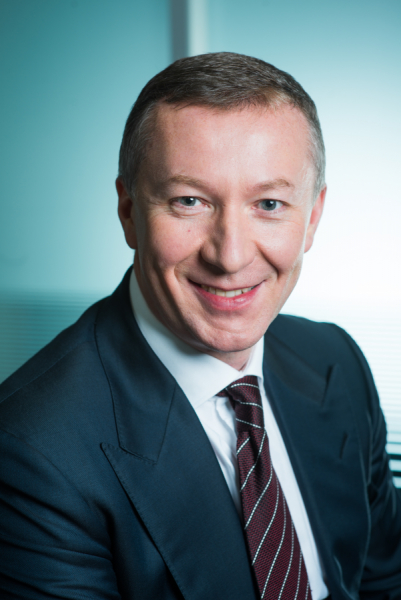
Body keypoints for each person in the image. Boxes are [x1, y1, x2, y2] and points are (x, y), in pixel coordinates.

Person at [0, 52, 400, 600]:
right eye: (189, 201)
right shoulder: (33, 450)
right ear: (129, 212)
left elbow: (384, 581)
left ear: (312, 217)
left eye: (269, 203)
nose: (230, 256)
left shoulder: (337, 361)